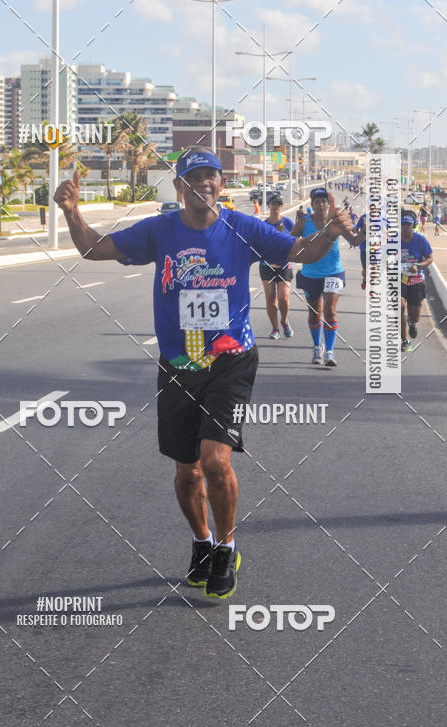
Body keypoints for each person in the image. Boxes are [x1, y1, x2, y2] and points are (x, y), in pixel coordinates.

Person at [54, 148, 352, 599]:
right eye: (195, 178)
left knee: (215, 461)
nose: (205, 184)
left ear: (220, 184)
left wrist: (329, 233)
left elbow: (304, 253)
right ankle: (202, 541)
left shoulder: (242, 227)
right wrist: (72, 213)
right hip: (179, 365)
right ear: (179, 188)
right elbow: (96, 249)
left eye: (212, 177)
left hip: (230, 360)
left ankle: (226, 547)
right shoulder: (160, 230)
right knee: (187, 472)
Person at [291, 186, 356, 367]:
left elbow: (354, 241)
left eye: (324, 201)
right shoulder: (304, 222)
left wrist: (366, 231)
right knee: (314, 314)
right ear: (312, 204)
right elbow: (289, 242)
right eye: (317, 201)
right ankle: (316, 346)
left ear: (328, 204)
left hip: (334, 271)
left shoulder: (335, 221)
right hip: (310, 274)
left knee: (330, 311)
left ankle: (329, 351)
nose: (321, 204)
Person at [259, 193, 295, 339]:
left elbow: (295, 241)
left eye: (278, 204)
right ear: (268, 205)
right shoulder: (263, 225)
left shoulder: (288, 222)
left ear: (282, 206)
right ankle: (275, 329)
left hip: (284, 265)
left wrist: (283, 235)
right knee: (270, 299)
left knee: (283, 298)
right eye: (273, 204)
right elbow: (259, 244)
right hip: (267, 265)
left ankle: (284, 321)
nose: (276, 207)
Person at [400, 209, 433, 351]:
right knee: (399, 308)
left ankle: (412, 323)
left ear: (412, 225)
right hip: (398, 280)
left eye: (408, 224)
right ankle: (405, 341)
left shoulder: (420, 240)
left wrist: (418, 265)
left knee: (415, 316)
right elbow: (383, 258)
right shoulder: (392, 239)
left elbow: (430, 258)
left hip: (416, 281)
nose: (405, 227)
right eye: (403, 224)